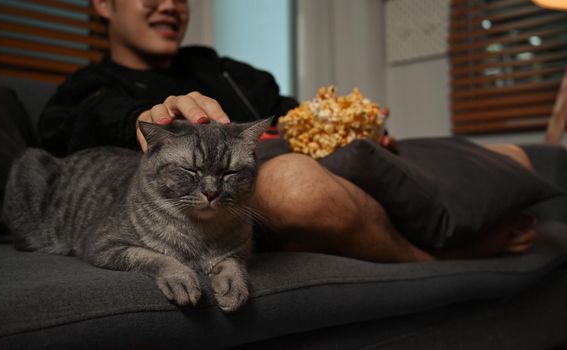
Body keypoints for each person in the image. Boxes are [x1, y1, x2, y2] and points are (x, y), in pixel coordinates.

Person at [39, 0, 536, 262]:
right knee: (296, 187)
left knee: (513, 155)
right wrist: (145, 122)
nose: (170, 5)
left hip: (328, 163)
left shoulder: (230, 71)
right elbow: (69, 130)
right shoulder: (93, 85)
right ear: (103, 3)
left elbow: (294, 116)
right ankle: (434, 258)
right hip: (260, 189)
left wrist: (348, 126)